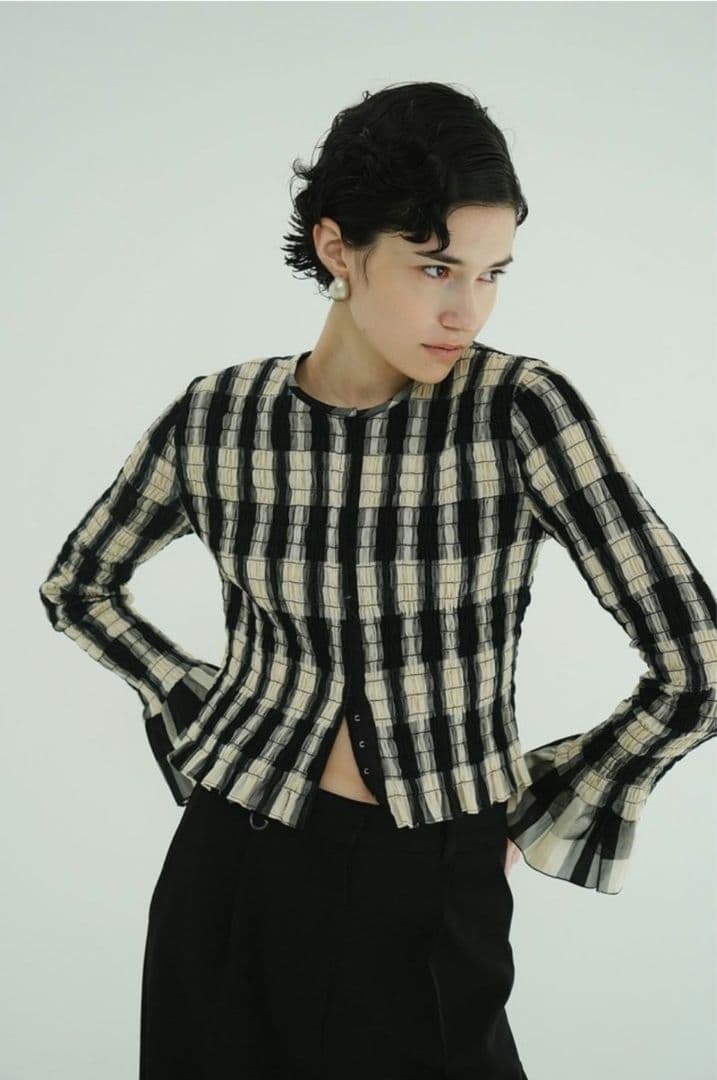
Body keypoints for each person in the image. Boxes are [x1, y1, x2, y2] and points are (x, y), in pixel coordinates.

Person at [38, 81, 716, 1080]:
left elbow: (698, 662)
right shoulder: (219, 414)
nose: (465, 310)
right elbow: (79, 585)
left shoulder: (516, 410)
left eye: (491, 274)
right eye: (435, 266)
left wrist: (541, 807)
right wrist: (202, 714)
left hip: (431, 877)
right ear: (337, 248)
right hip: (230, 862)